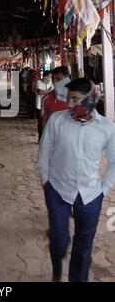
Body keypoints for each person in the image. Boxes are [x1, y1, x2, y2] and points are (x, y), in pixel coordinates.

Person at [37, 78, 115, 282]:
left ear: (90, 100)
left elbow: (114, 163)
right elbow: (44, 153)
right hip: (57, 190)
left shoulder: (107, 128)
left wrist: (102, 191)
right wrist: (46, 181)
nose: (69, 104)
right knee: (59, 239)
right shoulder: (57, 120)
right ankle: (56, 269)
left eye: (75, 99)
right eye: (68, 99)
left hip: (89, 195)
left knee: (83, 245)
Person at [35, 71, 53, 140]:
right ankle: (40, 138)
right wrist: (49, 91)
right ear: (45, 76)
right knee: (41, 122)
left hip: (48, 105)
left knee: (47, 121)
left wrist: (46, 92)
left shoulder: (51, 82)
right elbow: (40, 92)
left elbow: (53, 91)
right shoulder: (38, 82)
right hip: (39, 105)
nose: (50, 78)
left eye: (51, 76)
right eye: (49, 76)